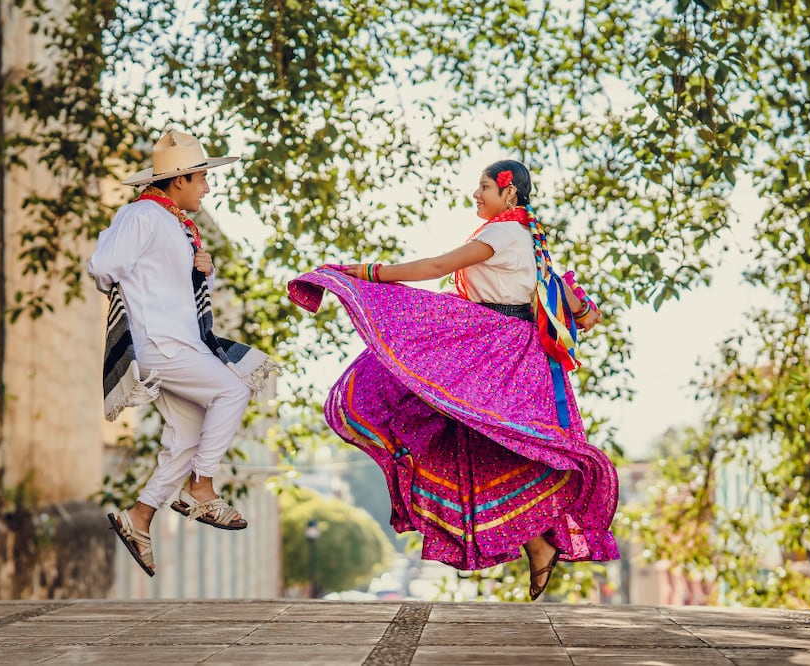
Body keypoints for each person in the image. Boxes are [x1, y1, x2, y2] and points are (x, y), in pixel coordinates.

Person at [288, 159, 619, 600]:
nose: (476, 194)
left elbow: (435, 267)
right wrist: (584, 311)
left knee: (485, 437)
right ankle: (538, 542)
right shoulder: (524, 237)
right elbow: (564, 297)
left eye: (484, 187)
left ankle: (538, 540)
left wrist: (368, 273)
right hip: (503, 348)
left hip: (498, 349)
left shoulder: (503, 234)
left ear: (510, 194)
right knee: (489, 446)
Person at [88, 131, 276, 577]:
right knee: (232, 390)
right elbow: (102, 266)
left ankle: (140, 517)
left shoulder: (174, 224)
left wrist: (201, 271)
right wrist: (134, 294)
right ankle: (202, 489)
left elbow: (176, 287)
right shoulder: (142, 217)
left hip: (179, 344)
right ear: (178, 181)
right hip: (161, 345)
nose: (207, 188)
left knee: (185, 439)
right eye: (201, 179)